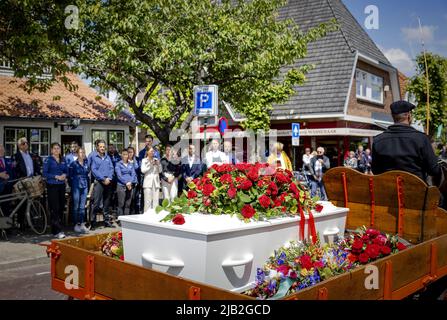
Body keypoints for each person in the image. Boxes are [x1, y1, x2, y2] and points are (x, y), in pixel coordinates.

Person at [371, 101, 441, 181]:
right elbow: (434, 171)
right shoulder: (421, 139)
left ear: (392, 116)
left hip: (388, 190)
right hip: (417, 190)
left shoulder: (378, 140)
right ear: (408, 115)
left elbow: (375, 171)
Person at [43, 143, 68, 239]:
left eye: (58, 148)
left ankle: (55, 230)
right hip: (52, 186)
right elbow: (44, 173)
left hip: (61, 186)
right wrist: (56, 176)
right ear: (51, 150)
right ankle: (58, 230)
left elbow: (66, 170)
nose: (57, 150)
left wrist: (65, 175)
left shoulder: (63, 159)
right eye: (55, 148)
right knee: (55, 208)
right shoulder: (48, 160)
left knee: (61, 207)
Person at [90, 140, 115, 228]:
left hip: (108, 182)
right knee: (96, 203)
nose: (102, 148)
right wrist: (103, 179)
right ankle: (92, 221)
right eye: (100, 147)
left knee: (106, 202)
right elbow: (94, 170)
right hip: (99, 182)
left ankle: (106, 221)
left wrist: (109, 178)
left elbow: (111, 168)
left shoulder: (108, 157)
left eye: (104, 147)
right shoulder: (94, 157)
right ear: (97, 147)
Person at [69, 147, 90, 234]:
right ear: (77, 154)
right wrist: (73, 185)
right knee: (76, 206)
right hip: (76, 186)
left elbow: (87, 174)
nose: (82, 154)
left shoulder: (86, 163)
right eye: (80, 152)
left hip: (84, 186)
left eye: (83, 152)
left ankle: (81, 223)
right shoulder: (73, 164)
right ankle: (76, 224)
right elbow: (70, 176)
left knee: (82, 207)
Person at [115, 149, 138, 218]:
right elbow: (119, 175)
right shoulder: (118, 164)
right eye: (124, 154)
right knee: (121, 203)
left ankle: (126, 218)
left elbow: (133, 174)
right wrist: (126, 182)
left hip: (130, 185)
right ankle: (120, 219)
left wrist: (130, 182)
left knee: (128, 203)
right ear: (121, 155)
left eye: (126, 154)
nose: (125, 156)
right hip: (121, 186)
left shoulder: (131, 164)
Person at [141, 147, 162, 212]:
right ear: (147, 152)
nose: (152, 152)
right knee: (147, 201)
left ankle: (155, 215)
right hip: (147, 183)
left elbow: (160, 171)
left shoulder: (156, 159)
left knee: (156, 200)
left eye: (153, 151)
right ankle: (146, 215)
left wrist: (158, 164)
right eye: (151, 151)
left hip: (156, 182)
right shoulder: (144, 160)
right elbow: (143, 170)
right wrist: (150, 164)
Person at [127, 146, 141, 214]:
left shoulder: (137, 160)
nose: (130, 154)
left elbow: (138, 169)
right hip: (128, 182)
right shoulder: (124, 160)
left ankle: (136, 213)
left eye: (131, 152)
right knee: (129, 199)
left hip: (136, 182)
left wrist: (134, 161)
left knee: (136, 199)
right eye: (128, 152)